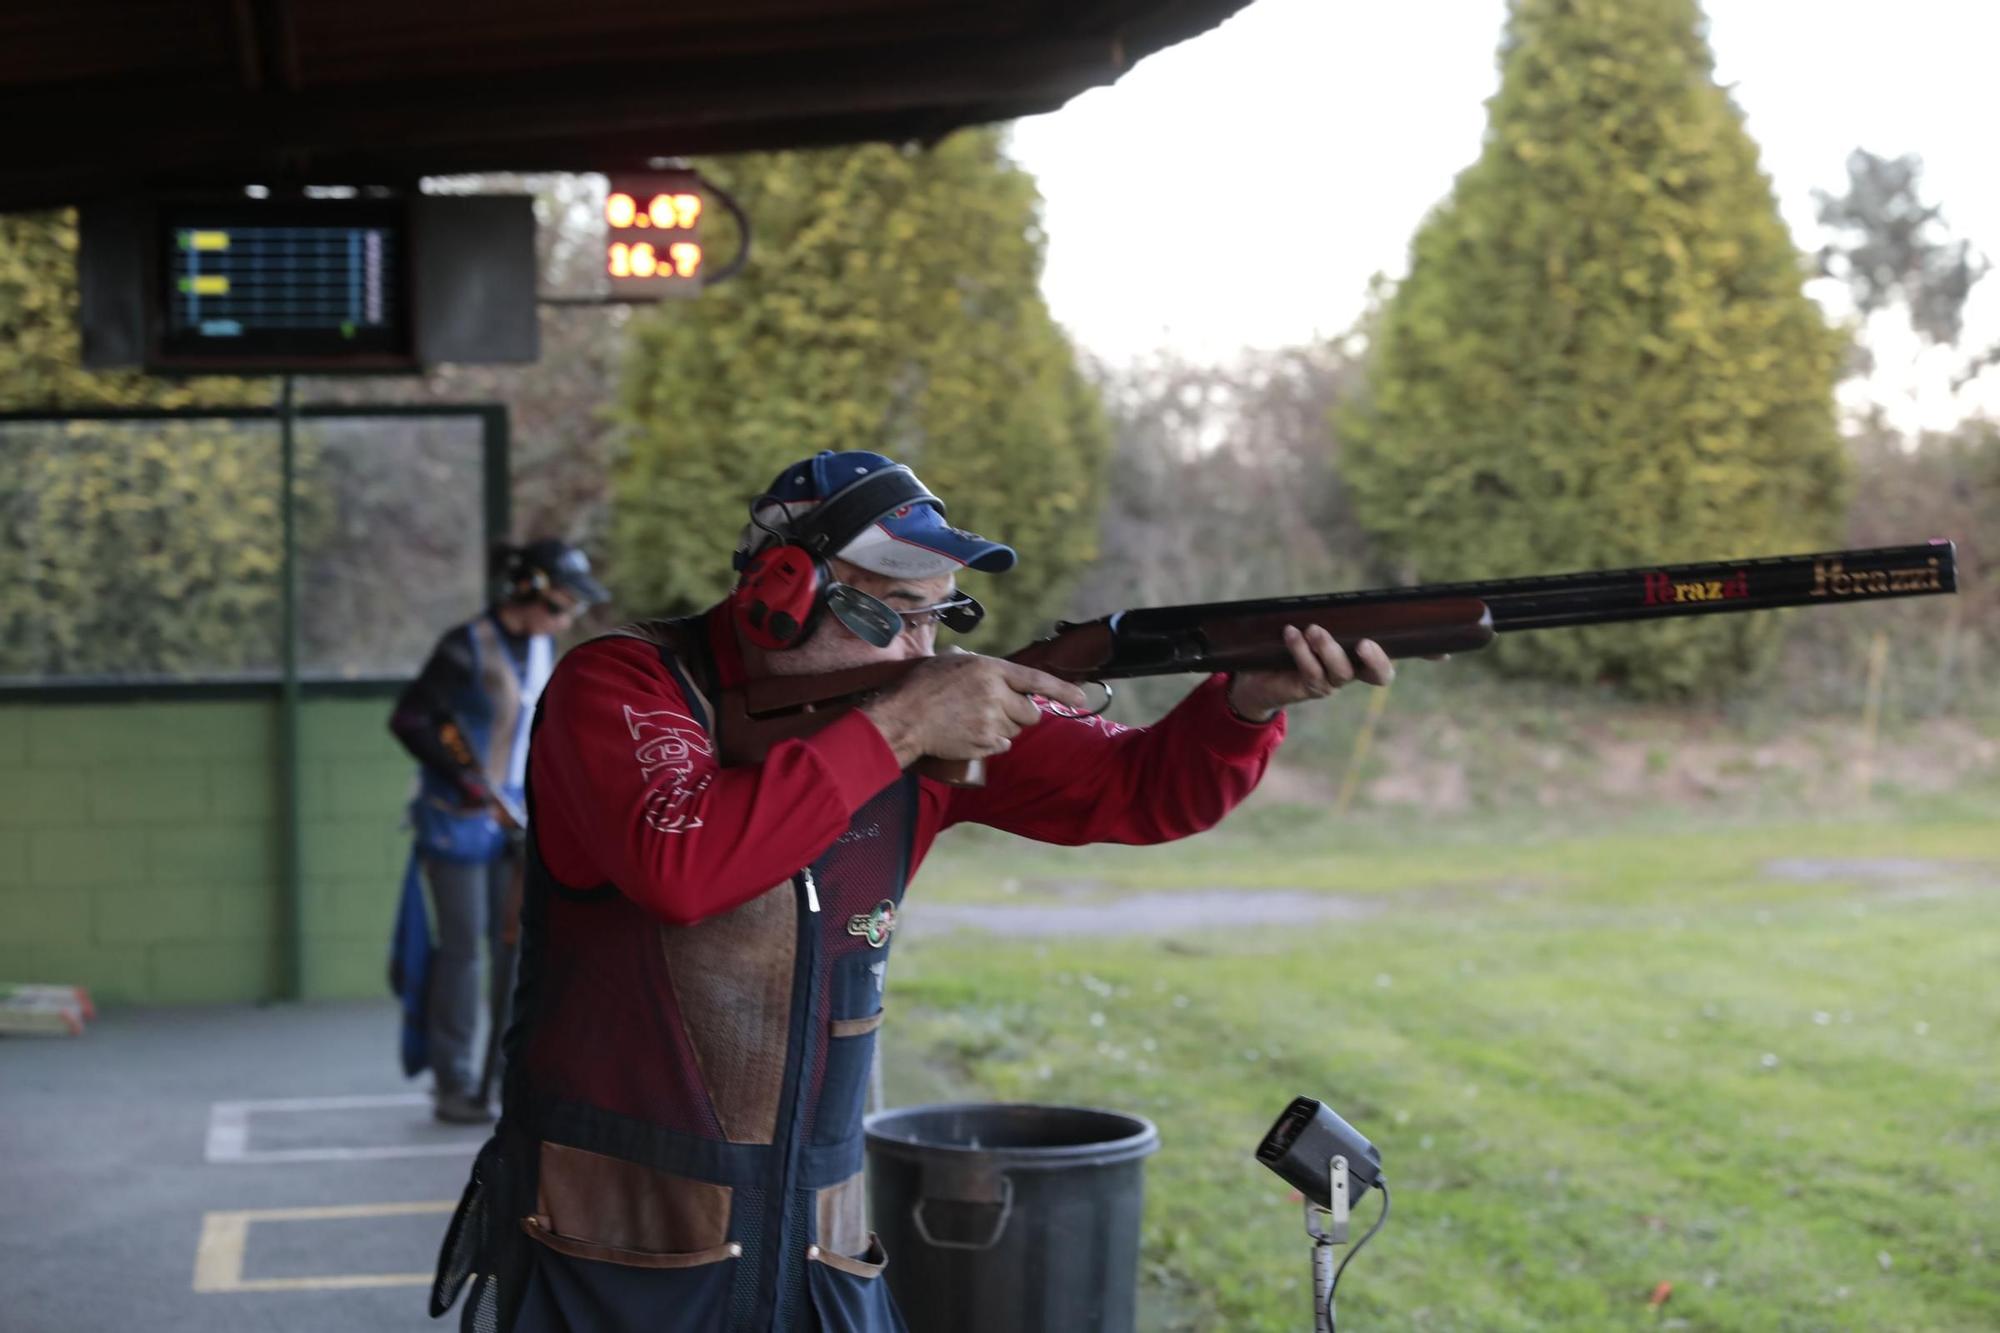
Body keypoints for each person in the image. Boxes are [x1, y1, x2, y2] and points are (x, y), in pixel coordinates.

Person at [430, 452, 1393, 1331]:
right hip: (612, 1257)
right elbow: (681, 867)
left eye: (939, 618)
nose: (918, 654)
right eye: (890, 613)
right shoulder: (627, 682)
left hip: (820, 1255)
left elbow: (1142, 789)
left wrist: (1243, 704)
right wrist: (896, 730)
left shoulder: (907, 712)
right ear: (778, 594)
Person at [389, 539, 609, 1124]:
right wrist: (465, 777)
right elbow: (413, 718)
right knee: (463, 956)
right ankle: (454, 1083)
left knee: (514, 952)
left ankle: (513, 1077)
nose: (566, 620)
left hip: (513, 823)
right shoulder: (466, 645)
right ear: (527, 590)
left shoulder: (540, 647)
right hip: (458, 824)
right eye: (561, 606)